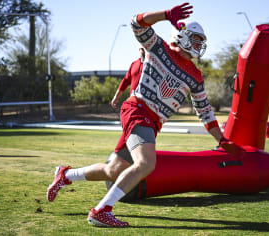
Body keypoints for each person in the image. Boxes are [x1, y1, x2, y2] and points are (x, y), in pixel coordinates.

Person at [47, 2, 237, 227]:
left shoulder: (195, 75)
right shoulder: (158, 47)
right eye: (195, 39)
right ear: (182, 36)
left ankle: (66, 175)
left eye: (200, 42)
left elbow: (205, 112)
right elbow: (136, 22)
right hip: (138, 110)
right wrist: (166, 15)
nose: (198, 45)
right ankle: (101, 210)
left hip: (152, 123)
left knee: (113, 170)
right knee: (146, 163)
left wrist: (222, 141)